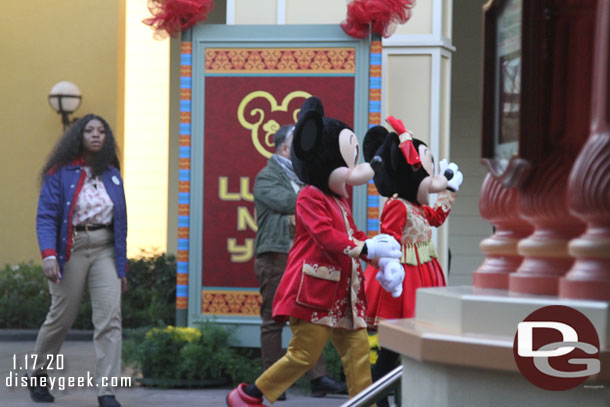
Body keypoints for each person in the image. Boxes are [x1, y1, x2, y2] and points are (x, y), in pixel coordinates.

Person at [227, 97, 402, 407]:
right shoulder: (310, 195)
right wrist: (365, 247)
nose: (352, 174)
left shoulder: (339, 199)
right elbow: (325, 236)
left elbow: (351, 233)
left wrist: (378, 254)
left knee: (358, 355)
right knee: (303, 355)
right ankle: (252, 395)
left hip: (344, 297)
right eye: (344, 165)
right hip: (315, 294)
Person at [362, 117, 463, 407]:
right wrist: (389, 265)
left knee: (407, 346)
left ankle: (400, 396)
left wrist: (450, 190)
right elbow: (389, 239)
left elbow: (438, 217)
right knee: (395, 347)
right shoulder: (396, 205)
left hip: (422, 275)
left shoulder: (417, 207)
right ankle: (379, 398)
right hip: (404, 280)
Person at [29, 114, 127, 407]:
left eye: (102, 131)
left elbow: (120, 222)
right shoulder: (59, 172)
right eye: (90, 131)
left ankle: (107, 392)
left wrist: (121, 266)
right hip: (70, 247)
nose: (97, 135)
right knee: (61, 317)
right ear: (78, 136)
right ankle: (37, 373)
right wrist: (48, 255)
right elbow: (46, 216)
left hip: (105, 248)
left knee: (110, 318)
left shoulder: (111, 173)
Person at [253, 124, 347, 399]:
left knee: (310, 315)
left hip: (303, 256)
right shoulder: (266, 177)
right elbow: (295, 203)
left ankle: (319, 379)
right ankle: (271, 381)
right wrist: (303, 211)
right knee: (273, 317)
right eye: (297, 144)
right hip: (276, 255)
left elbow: (308, 209)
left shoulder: (306, 177)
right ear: (284, 148)